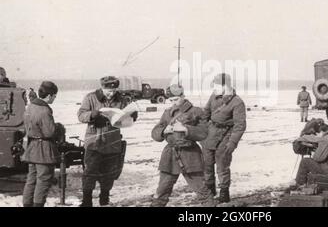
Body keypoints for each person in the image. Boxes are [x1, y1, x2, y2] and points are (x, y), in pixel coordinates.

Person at [77, 76, 137, 207]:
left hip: (112, 142)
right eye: (108, 91)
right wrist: (92, 115)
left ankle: (104, 199)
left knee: (109, 173)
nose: (111, 93)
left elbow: (127, 114)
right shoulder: (90, 97)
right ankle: (86, 201)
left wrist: (132, 116)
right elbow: (81, 115)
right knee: (90, 173)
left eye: (114, 90)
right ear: (102, 88)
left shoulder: (121, 99)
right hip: (94, 141)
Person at [150, 84, 214, 207]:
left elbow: (204, 133)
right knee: (162, 190)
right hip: (170, 155)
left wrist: (186, 129)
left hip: (190, 154)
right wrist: (164, 131)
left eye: (176, 99)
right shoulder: (167, 113)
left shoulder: (196, 111)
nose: (174, 102)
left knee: (201, 189)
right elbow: (154, 133)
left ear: (183, 96)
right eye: (171, 100)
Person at [202, 73, 246, 203]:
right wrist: (202, 130)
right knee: (207, 164)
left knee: (222, 166)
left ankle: (224, 192)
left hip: (226, 135)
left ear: (225, 86)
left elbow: (240, 125)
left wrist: (232, 143)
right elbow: (206, 113)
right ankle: (210, 190)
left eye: (216, 85)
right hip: (210, 134)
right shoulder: (213, 97)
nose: (214, 88)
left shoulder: (237, 102)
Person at [22, 81, 63, 207]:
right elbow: (50, 132)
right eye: (54, 96)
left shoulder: (30, 106)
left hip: (32, 147)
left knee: (31, 180)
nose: (54, 99)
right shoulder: (44, 110)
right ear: (50, 95)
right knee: (43, 180)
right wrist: (59, 128)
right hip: (44, 150)